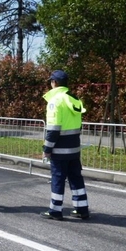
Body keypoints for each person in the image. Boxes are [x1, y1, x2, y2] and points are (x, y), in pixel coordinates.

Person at [40, 70, 89, 220]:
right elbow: (78, 126)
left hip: (60, 149)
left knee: (58, 179)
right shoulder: (73, 99)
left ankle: (55, 210)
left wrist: (47, 148)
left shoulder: (55, 101)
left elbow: (53, 130)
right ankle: (82, 209)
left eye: (51, 82)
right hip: (74, 147)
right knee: (76, 177)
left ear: (54, 83)